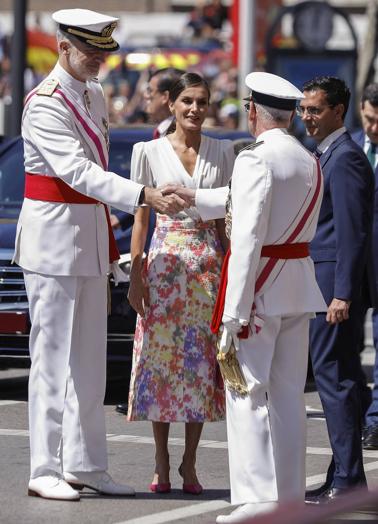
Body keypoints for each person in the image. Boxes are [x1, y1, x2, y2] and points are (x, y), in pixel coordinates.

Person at [14, 8, 185, 501]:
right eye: (90, 52)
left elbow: (93, 174)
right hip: (52, 240)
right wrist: (143, 194)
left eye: (102, 53)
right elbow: (76, 172)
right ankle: (44, 467)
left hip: (87, 234)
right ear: (63, 46)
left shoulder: (92, 94)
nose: (99, 62)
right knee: (50, 359)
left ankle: (85, 463)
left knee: (88, 362)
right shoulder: (44, 103)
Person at [165, 71, 327, 523]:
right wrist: (194, 196)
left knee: (247, 393)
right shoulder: (307, 157)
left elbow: (249, 235)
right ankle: (290, 497)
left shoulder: (256, 158)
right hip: (296, 284)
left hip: (260, 290)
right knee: (289, 396)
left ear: (254, 112)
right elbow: (243, 202)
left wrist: (233, 313)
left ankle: (257, 502)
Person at [126, 72, 235, 495]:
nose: (194, 109)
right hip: (165, 267)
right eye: (187, 100)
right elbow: (140, 218)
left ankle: (190, 462)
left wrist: (231, 273)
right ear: (171, 104)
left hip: (206, 266)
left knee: (198, 366)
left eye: (202, 101)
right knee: (158, 364)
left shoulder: (223, 151)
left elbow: (226, 220)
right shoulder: (148, 151)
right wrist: (137, 274)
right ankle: (161, 458)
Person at [298, 76, 375, 504]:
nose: (307, 117)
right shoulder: (326, 153)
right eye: (303, 109)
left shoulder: (344, 158)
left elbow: (352, 234)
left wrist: (342, 294)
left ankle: (348, 483)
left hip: (332, 289)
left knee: (334, 380)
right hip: (324, 283)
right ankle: (343, 476)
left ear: (338, 111)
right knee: (337, 378)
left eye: (315, 109)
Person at [114, 67, 184, 416]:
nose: (145, 99)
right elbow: (143, 197)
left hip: (184, 251)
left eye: (150, 92)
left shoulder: (182, 138)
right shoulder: (151, 139)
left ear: (167, 99)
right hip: (156, 245)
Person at [352, 83, 378, 449]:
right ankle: (355, 411)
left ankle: (375, 421)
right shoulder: (350, 146)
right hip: (350, 266)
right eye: (370, 120)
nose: (374, 128)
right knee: (345, 347)